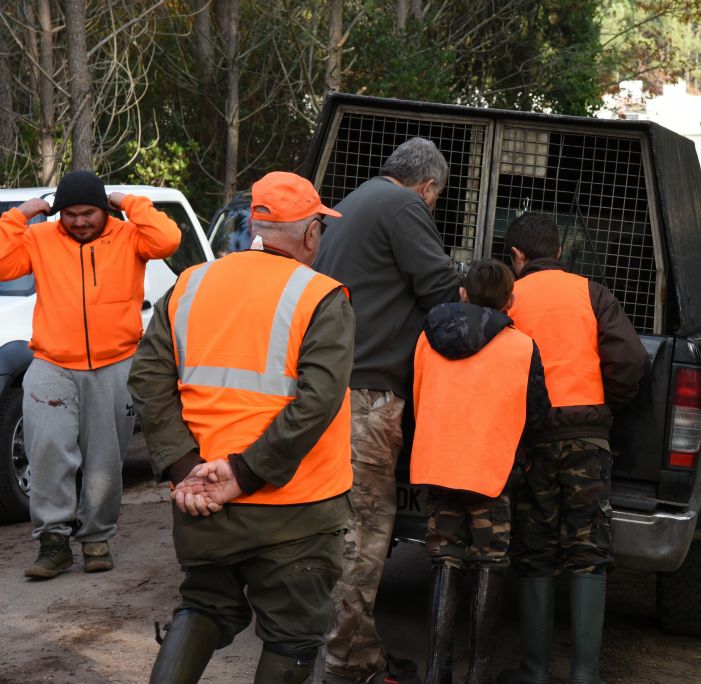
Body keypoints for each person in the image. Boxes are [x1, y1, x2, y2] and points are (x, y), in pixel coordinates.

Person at [127, 171, 355, 683]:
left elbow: (147, 378)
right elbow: (317, 402)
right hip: (296, 510)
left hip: (203, 505)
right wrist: (246, 474)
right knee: (292, 635)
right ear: (311, 233)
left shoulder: (192, 283)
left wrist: (188, 470)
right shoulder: (322, 296)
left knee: (205, 605)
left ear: (255, 223)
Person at [315, 137, 460, 684]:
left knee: (335, 526)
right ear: (427, 186)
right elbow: (439, 288)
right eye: (437, 199)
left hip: (331, 390)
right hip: (369, 398)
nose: (433, 206)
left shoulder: (351, 203)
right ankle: (347, 664)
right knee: (365, 533)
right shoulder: (404, 205)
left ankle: (349, 648)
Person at [0, 170, 182, 579]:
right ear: (58, 214)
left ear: (103, 210)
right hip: (52, 362)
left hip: (115, 363)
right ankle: (53, 543)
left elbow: (168, 239)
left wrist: (129, 202)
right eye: (70, 214)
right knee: (47, 449)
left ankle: (97, 538)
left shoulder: (130, 236)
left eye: (88, 213)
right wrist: (20, 214)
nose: (79, 221)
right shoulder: (40, 239)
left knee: (105, 457)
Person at [497, 213, 647, 684]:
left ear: (517, 257)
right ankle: (585, 675)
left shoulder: (508, 298)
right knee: (588, 553)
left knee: (535, 551)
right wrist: (603, 406)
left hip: (532, 439)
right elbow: (631, 360)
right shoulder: (591, 292)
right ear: (559, 252)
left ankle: (534, 671)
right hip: (587, 438)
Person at [409, 259, 549, 684]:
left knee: (444, 559)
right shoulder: (522, 346)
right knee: (490, 561)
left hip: (438, 462)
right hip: (491, 470)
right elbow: (537, 414)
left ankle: (436, 671)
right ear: (510, 300)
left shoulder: (425, 338)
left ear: (463, 294)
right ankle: (480, 672)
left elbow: (417, 397)